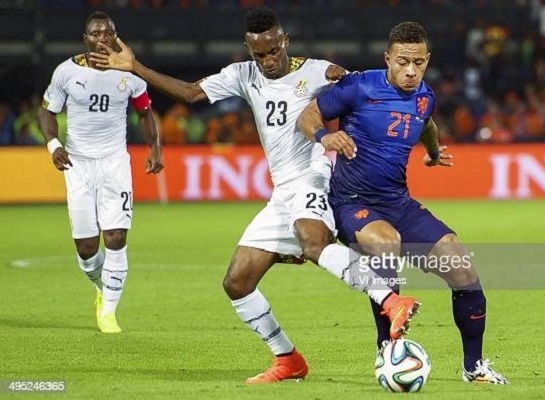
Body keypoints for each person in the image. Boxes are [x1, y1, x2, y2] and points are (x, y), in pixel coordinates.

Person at [90, 7, 419, 384]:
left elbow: (364, 96)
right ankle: (288, 358)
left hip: (313, 178)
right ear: (249, 50)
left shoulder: (317, 71)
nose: (266, 61)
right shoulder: (243, 75)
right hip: (282, 194)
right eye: (258, 54)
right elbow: (191, 92)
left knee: (313, 243)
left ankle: (391, 301)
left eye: (272, 51)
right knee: (237, 282)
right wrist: (135, 67)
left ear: (285, 42)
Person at [298, 21, 509, 384]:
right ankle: (387, 350)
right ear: (388, 58)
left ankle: (474, 367)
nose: (410, 71)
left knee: (462, 268)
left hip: (398, 201)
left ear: (427, 61)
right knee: (386, 243)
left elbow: (425, 123)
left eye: (418, 63)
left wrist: (430, 152)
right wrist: (323, 137)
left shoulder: (425, 95)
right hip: (352, 201)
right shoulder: (360, 85)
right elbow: (309, 115)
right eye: (402, 62)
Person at [39, 11, 163, 334]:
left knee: (116, 237)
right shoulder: (66, 72)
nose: (102, 39)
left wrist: (155, 149)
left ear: (115, 36)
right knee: (86, 248)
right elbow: (47, 111)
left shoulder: (129, 71)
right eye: (96, 34)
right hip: (78, 163)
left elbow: (145, 112)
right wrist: (54, 145)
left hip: (114, 162)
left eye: (108, 33)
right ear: (86, 39)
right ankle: (101, 286)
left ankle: (109, 312)